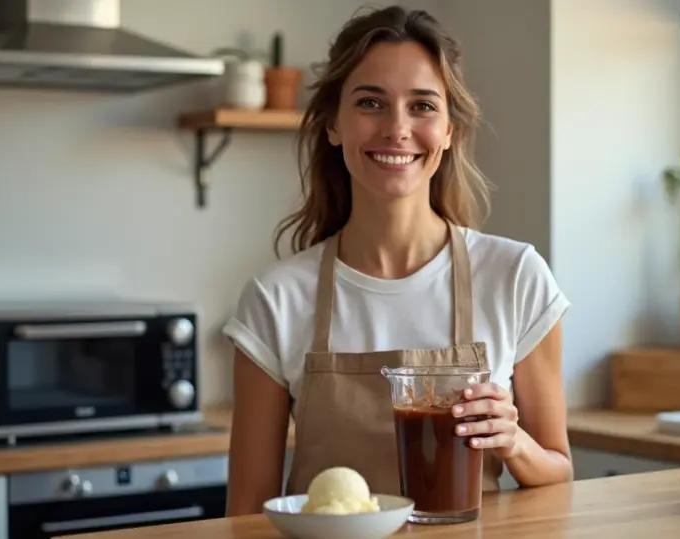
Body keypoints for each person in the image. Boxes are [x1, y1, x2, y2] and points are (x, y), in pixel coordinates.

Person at [222, 5, 572, 517]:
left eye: (423, 106)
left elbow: (560, 471)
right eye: (371, 103)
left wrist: (513, 441)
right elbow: (247, 513)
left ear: (450, 130)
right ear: (333, 125)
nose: (397, 129)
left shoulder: (516, 277)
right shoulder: (274, 300)